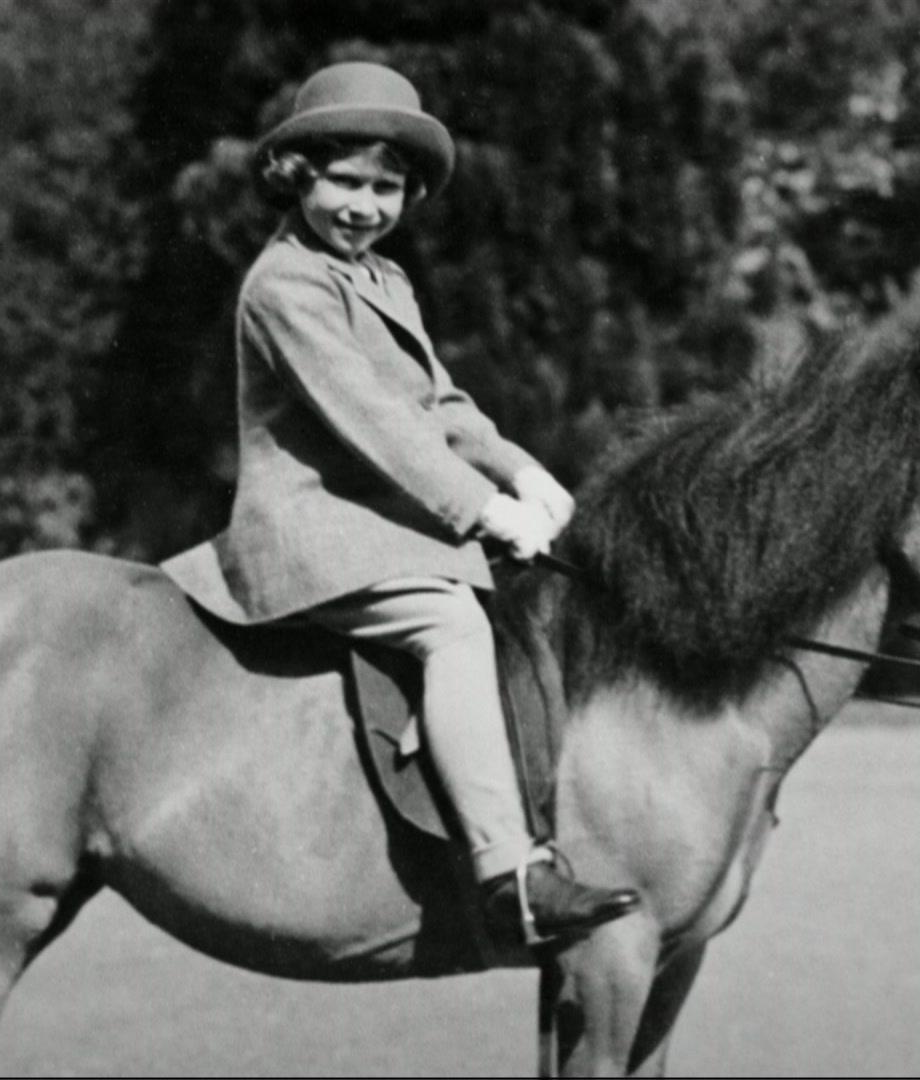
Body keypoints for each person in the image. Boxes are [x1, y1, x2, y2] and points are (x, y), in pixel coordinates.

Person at [162, 61, 640, 944]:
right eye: (345, 181)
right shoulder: (285, 287)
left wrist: (525, 474)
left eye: (385, 188)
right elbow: (376, 424)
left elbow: (440, 407)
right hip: (317, 531)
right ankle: (511, 876)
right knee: (451, 625)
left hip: (387, 524)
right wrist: (485, 511)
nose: (364, 205)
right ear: (299, 176)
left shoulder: (384, 281)